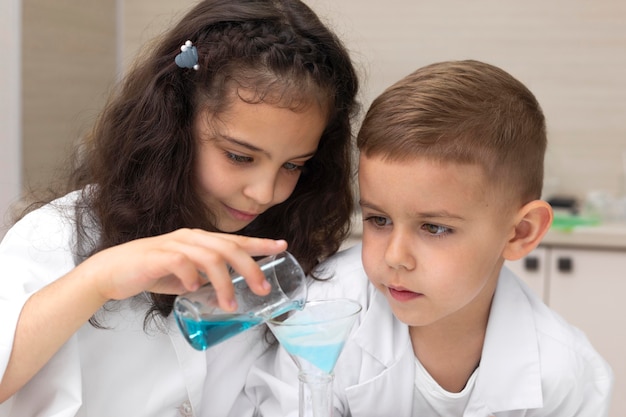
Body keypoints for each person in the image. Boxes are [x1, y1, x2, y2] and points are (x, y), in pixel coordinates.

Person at [0, 0, 360, 415]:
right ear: (175, 126)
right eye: (240, 157)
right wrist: (97, 280)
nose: (264, 193)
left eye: (293, 165)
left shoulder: (281, 253)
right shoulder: (58, 237)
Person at [244, 60, 614, 416]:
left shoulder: (568, 376)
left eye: (434, 227)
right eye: (379, 219)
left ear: (520, 232)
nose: (395, 257)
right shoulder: (322, 312)